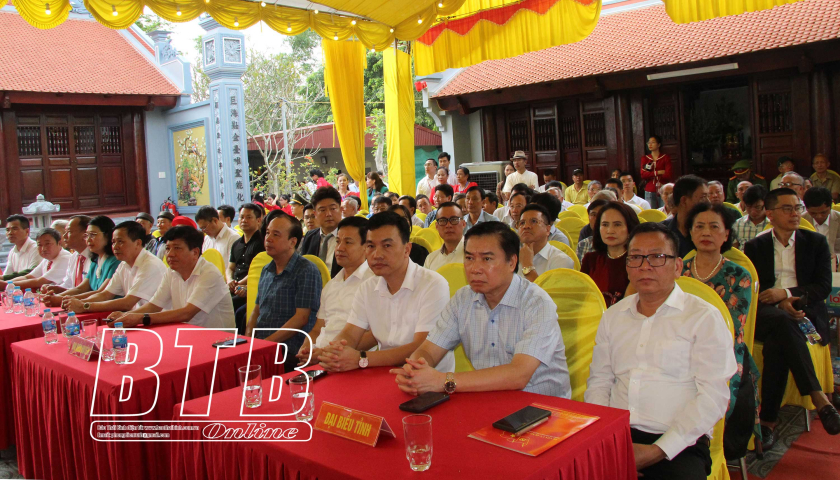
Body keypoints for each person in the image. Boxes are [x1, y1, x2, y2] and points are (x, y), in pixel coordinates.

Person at [586, 222, 737, 479]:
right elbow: (600, 382)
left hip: (679, 440)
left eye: (657, 257)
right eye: (635, 257)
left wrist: (657, 450)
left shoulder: (703, 317)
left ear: (678, 266)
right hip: (615, 433)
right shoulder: (613, 316)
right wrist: (605, 438)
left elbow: (713, 397)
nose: (645, 266)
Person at [392, 221, 571, 397]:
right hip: (485, 400)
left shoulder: (537, 303)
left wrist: (443, 380)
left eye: (487, 259)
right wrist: (415, 367)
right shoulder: (463, 299)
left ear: (512, 262)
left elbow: (519, 375)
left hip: (544, 408)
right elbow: (429, 350)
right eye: (469, 258)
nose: (475, 268)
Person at [744, 188, 840, 447]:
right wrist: (777, 301)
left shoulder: (816, 242)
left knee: (779, 341)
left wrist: (786, 296)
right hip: (766, 312)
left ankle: (768, 421)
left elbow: (821, 287)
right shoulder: (755, 246)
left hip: (804, 311)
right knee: (780, 322)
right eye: (787, 208)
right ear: (770, 214)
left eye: (798, 208)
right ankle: (819, 398)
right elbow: (753, 289)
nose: (795, 213)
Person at [318, 212, 455, 373]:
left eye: (387, 246)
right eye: (370, 246)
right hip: (379, 373)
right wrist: (334, 352)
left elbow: (422, 346)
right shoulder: (368, 287)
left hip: (427, 382)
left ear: (407, 249)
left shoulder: (433, 285)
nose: (377, 255)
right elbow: (350, 333)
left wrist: (361, 358)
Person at [681, 202, 761, 444]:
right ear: (690, 232)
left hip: (722, 348)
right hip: (676, 342)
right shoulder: (677, 269)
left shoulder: (738, 275)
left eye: (714, 227)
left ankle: (705, 447)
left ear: (726, 234)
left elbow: (735, 327)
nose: (706, 233)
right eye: (700, 227)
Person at [106, 225, 235, 329]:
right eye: (167, 248)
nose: (170, 254)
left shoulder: (209, 273)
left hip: (218, 342)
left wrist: (142, 318)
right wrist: (126, 315)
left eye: (177, 248)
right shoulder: (171, 272)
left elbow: (186, 313)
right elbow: (154, 305)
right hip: (186, 334)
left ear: (195, 252)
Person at [246, 210, 321, 372]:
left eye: (276, 234)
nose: (268, 239)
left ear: (292, 242)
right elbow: (257, 310)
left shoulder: (306, 270)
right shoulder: (266, 269)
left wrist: (266, 344)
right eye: (267, 233)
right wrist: (249, 338)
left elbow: (301, 318)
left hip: (289, 348)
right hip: (263, 344)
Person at [296, 217, 375, 365]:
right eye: (338, 241)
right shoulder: (332, 284)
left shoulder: (374, 282)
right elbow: (318, 328)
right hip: (321, 356)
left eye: (348, 242)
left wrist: (325, 353)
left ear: (366, 246)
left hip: (348, 361)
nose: (339, 248)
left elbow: (374, 335)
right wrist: (306, 348)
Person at [63, 221, 167, 314]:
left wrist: (84, 306)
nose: (115, 246)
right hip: (134, 318)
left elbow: (127, 303)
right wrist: (77, 303)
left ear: (138, 243)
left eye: (120, 242)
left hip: (156, 322)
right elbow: (106, 294)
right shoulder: (123, 264)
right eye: (113, 242)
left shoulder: (150, 265)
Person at [42, 216, 120, 307]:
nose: (88, 240)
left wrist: (61, 299)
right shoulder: (95, 260)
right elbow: (81, 288)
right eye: (87, 235)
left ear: (107, 235)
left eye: (93, 235)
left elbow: (101, 293)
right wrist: (57, 296)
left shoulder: (115, 261)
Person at [581, 202, 639, 306]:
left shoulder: (639, 262)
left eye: (617, 225)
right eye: (605, 224)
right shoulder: (590, 260)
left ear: (630, 229)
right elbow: (582, 301)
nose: (610, 231)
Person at [228, 203, 265, 333]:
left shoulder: (262, 243)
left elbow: (257, 271)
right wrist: (229, 281)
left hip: (251, 289)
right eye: (242, 217)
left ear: (258, 220)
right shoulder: (236, 244)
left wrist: (238, 284)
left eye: (248, 217)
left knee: (235, 309)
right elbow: (230, 268)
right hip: (235, 287)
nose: (244, 220)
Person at [1, 228, 71, 291]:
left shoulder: (64, 258)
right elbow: (28, 277)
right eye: (40, 245)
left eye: (48, 244)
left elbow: (40, 281)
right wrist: (8, 283)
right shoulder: (47, 259)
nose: (43, 249)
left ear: (59, 243)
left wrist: (6, 285)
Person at [517, 204, 574, 281]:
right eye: (522, 223)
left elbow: (548, 293)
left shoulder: (562, 261)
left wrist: (527, 266)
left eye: (534, 221)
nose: (526, 226)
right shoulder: (511, 256)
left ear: (548, 229)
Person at [661, 174, 710, 258]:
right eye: (703, 197)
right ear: (684, 200)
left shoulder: (711, 232)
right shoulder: (661, 232)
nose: (708, 202)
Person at [299, 187, 342, 278]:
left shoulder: (350, 236)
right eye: (322, 210)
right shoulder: (310, 237)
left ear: (341, 210)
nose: (328, 214)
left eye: (333, 208)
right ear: (315, 214)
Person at [44, 215, 92, 292]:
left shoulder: (94, 257)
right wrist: (55, 289)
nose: (64, 236)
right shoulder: (74, 256)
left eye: (69, 232)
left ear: (85, 234)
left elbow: (88, 290)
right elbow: (68, 284)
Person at [195, 206, 240, 280]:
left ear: (215, 220)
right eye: (201, 228)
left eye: (204, 227)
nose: (203, 231)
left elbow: (232, 268)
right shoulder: (206, 239)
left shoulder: (233, 238)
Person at [424, 202, 466, 271]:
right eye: (443, 221)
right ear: (437, 226)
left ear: (463, 224)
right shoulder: (430, 259)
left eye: (454, 219)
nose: (448, 225)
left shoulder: (475, 256)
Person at [803, 186, 840, 259]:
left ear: (831, 205)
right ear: (806, 208)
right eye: (813, 213)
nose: (819, 216)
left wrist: (836, 257)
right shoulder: (801, 221)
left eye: (823, 212)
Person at [639, 135, 673, 210]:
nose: (650, 144)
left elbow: (668, 175)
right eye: (649, 143)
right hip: (650, 188)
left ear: (659, 144)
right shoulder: (645, 158)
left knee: (665, 209)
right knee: (651, 210)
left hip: (663, 188)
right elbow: (643, 175)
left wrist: (651, 174)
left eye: (653, 142)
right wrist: (658, 172)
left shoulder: (665, 157)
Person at [3, 215, 40, 280]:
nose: (10, 233)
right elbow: (7, 275)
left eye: (14, 229)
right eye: (7, 230)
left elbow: (32, 273)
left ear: (27, 231)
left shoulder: (36, 248)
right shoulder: (12, 252)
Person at [732, 184, 768, 251]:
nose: (753, 212)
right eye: (749, 206)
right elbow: (734, 250)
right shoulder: (738, 224)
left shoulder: (773, 224)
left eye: (757, 207)